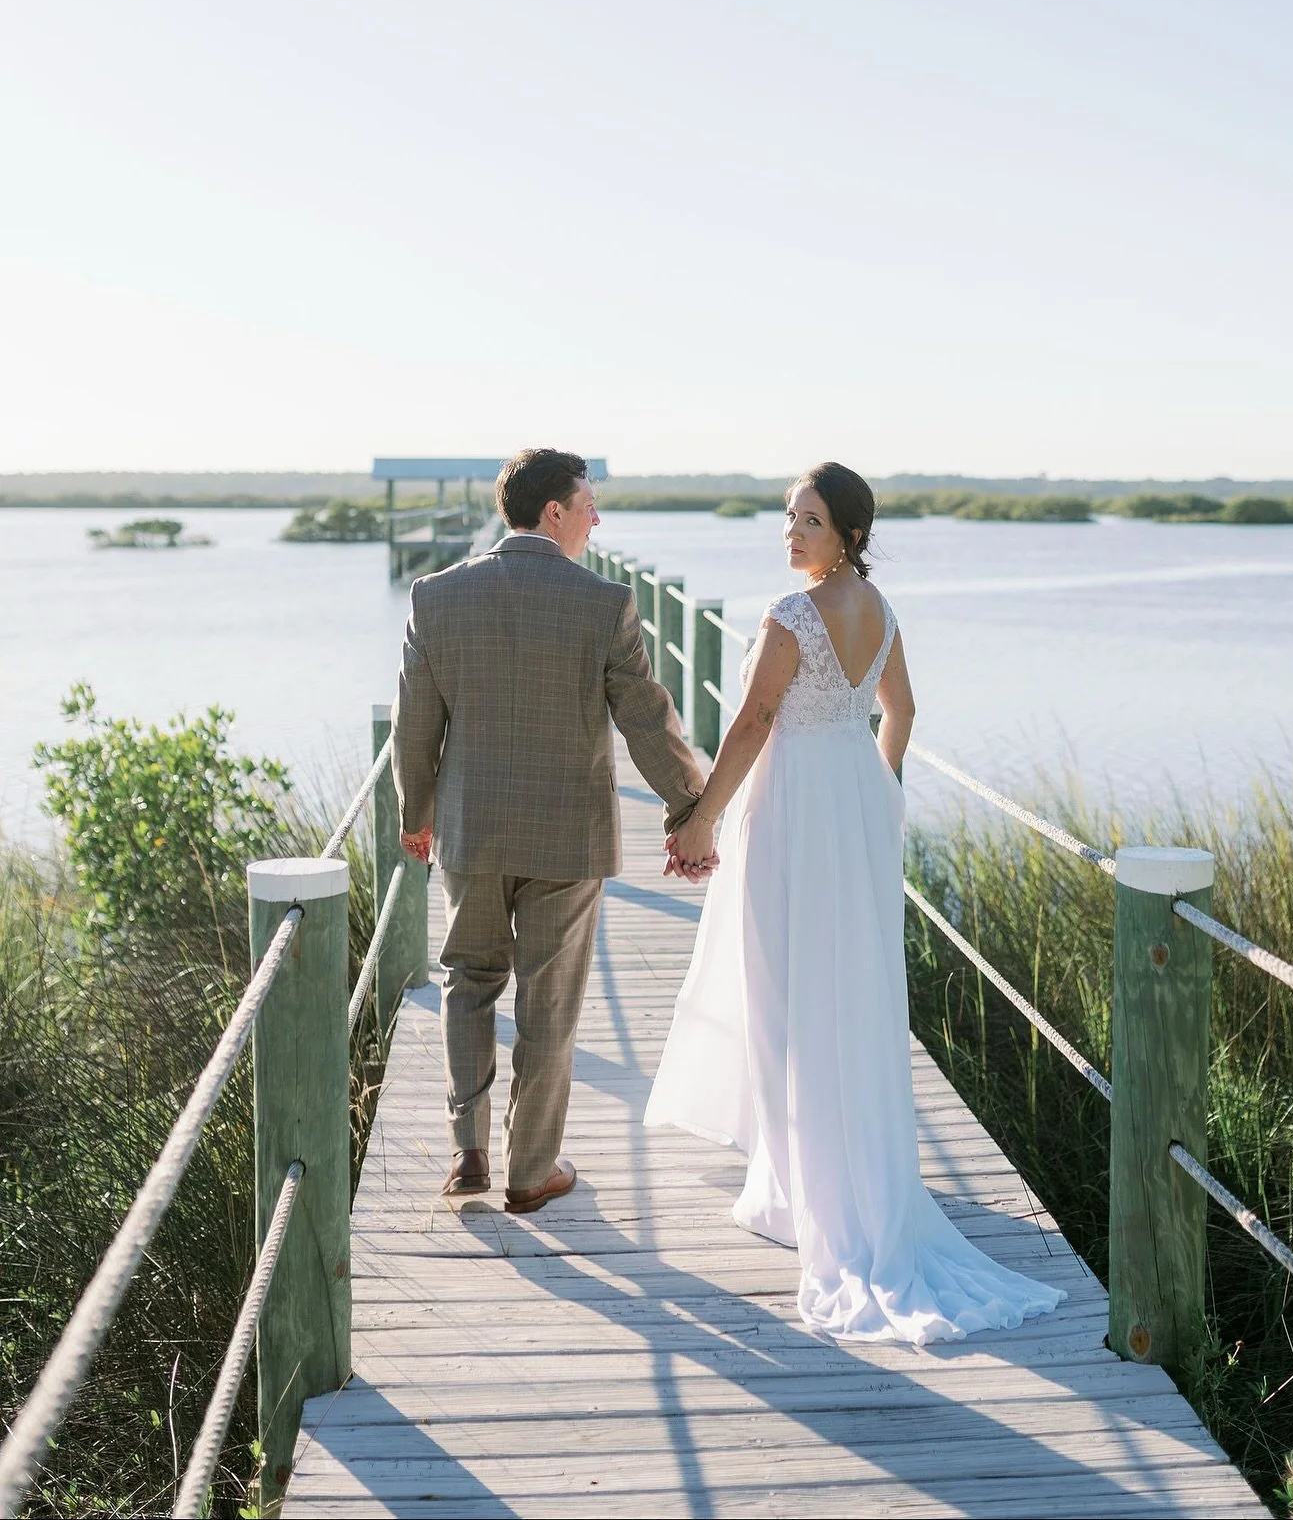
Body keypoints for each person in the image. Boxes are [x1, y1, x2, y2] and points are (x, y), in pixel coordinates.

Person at [645, 461, 1065, 1343]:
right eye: (789, 518)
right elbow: (900, 710)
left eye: (810, 521)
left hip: (794, 806)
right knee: (847, 991)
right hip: (853, 807)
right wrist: (877, 793)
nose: (791, 533)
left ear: (848, 535)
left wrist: (699, 823)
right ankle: (825, 1179)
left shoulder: (791, 615)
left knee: (786, 990)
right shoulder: (881, 611)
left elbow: (753, 723)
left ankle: (802, 1195)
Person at [390, 447, 712, 1211]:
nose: (597, 517)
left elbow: (413, 726)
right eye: (589, 502)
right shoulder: (604, 604)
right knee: (549, 1001)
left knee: (468, 982)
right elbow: (647, 720)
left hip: (469, 829)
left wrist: (416, 812)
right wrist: (689, 808)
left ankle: (468, 1151)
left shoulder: (435, 597)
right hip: (567, 838)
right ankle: (531, 1170)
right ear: (556, 511)